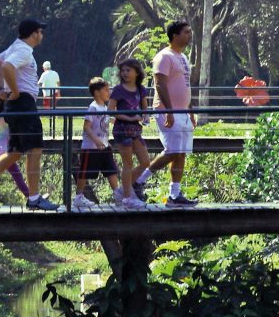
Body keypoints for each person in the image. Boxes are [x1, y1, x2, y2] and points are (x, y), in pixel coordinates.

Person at [0, 19, 58, 211]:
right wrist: (14, 91)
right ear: (34, 34)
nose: (42, 36)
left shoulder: (15, 47)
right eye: (40, 32)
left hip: (16, 105)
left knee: (14, 152)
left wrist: (2, 88)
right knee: (34, 150)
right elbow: (6, 66)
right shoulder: (24, 50)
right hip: (23, 104)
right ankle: (34, 198)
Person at [148, 19, 200, 208]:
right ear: (174, 35)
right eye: (186, 32)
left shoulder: (183, 58)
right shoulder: (164, 56)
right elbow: (160, 84)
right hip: (166, 110)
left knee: (181, 153)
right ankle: (140, 181)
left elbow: (185, 87)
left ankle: (175, 196)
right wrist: (169, 110)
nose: (189, 35)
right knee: (173, 151)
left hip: (182, 112)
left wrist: (190, 109)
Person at [71, 77, 123, 211]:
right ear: (96, 92)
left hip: (104, 147)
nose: (108, 92)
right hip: (91, 148)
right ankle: (78, 197)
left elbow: (104, 123)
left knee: (111, 169)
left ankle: (117, 194)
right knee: (85, 172)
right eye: (106, 90)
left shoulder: (105, 107)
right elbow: (87, 127)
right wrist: (95, 140)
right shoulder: (93, 107)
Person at [109, 58, 153, 203]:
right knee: (127, 163)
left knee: (145, 161)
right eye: (123, 71)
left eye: (128, 70)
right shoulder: (118, 90)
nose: (125, 73)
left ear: (136, 72)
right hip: (122, 129)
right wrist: (129, 118)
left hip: (136, 130)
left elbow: (145, 109)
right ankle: (128, 197)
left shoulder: (141, 89)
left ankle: (123, 189)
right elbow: (110, 111)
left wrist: (145, 117)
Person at [0, 97, 31, 202]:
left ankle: (30, 197)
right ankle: (31, 198)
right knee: (16, 176)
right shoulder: (6, 115)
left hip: (0, 148)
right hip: (5, 150)